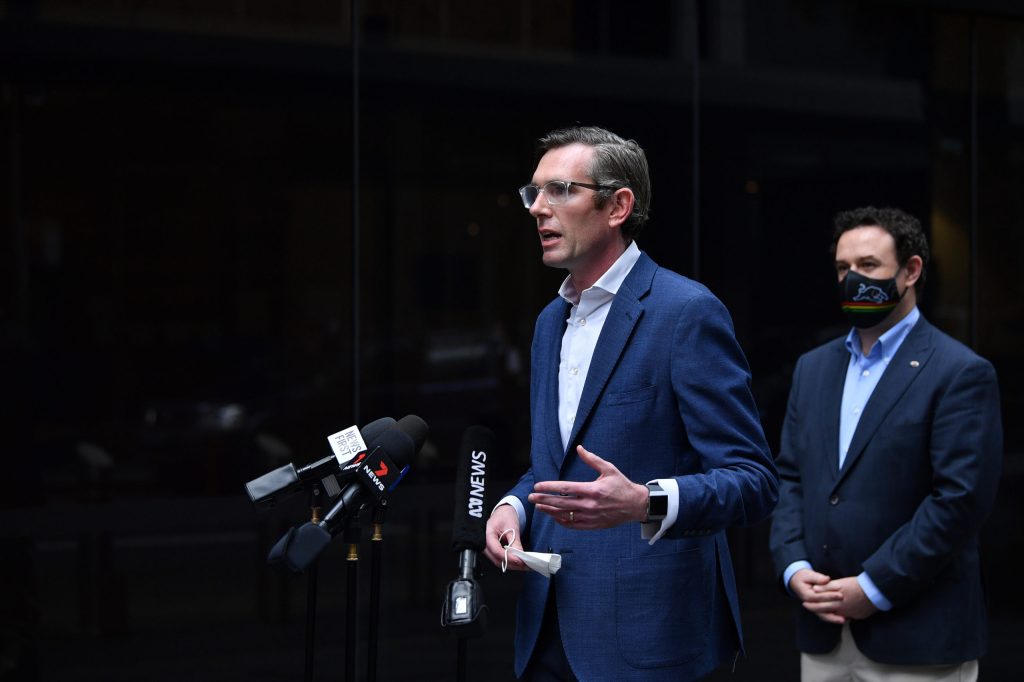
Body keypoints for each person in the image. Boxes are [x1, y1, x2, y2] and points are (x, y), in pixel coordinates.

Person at [482, 126, 778, 681]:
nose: (538, 208)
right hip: (546, 628)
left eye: (560, 190)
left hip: (649, 638)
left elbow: (754, 480)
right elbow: (558, 462)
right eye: (534, 192)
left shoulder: (685, 312)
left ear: (618, 206)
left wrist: (645, 502)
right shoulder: (551, 322)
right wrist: (513, 507)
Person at [769, 206, 1003, 681]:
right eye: (842, 268)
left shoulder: (959, 372)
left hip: (919, 638)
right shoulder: (813, 368)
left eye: (868, 266)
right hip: (823, 635)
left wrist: (874, 587)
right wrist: (792, 566)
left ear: (911, 270)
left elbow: (959, 500)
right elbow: (790, 476)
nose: (852, 279)